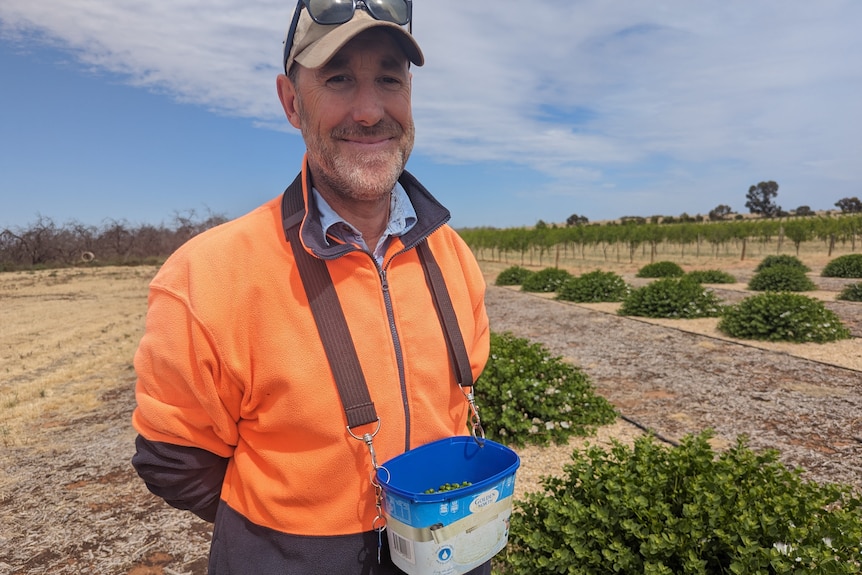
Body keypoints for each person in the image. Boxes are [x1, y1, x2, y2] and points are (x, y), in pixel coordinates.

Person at [131, 1, 491, 573]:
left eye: (389, 79)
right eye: (339, 78)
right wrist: (285, 543)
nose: (370, 111)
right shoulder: (208, 274)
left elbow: (450, 407)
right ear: (292, 102)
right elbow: (175, 461)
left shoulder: (452, 254)